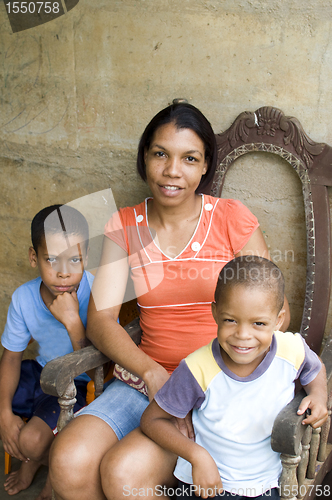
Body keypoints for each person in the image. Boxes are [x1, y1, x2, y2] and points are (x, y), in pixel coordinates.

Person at [49, 102, 290, 500]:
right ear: (144, 158)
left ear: (204, 166)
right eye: (160, 154)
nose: (172, 170)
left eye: (189, 158)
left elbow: (275, 313)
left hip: (214, 388)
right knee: (68, 460)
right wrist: (151, 372)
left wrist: (224, 381)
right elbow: (102, 320)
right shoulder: (126, 224)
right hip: (145, 381)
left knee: (124, 475)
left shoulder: (231, 219)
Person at [141, 256, 328, 500]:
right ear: (215, 313)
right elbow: (152, 420)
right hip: (207, 484)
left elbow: (314, 369)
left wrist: (318, 395)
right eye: (230, 320)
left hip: (267, 484)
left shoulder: (290, 349)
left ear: (278, 320)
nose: (242, 335)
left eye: (259, 323)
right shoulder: (198, 368)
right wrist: (197, 455)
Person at [0, 205, 93, 500]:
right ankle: (37, 459)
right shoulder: (24, 298)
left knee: (29, 441)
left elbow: (100, 370)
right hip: (41, 371)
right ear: (33, 257)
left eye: (74, 260)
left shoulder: (97, 290)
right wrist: (3, 413)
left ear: (86, 259)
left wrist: (73, 322)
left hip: (79, 382)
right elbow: (12, 356)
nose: (64, 272)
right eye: (51, 259)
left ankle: (49, 473)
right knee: (6, 402)